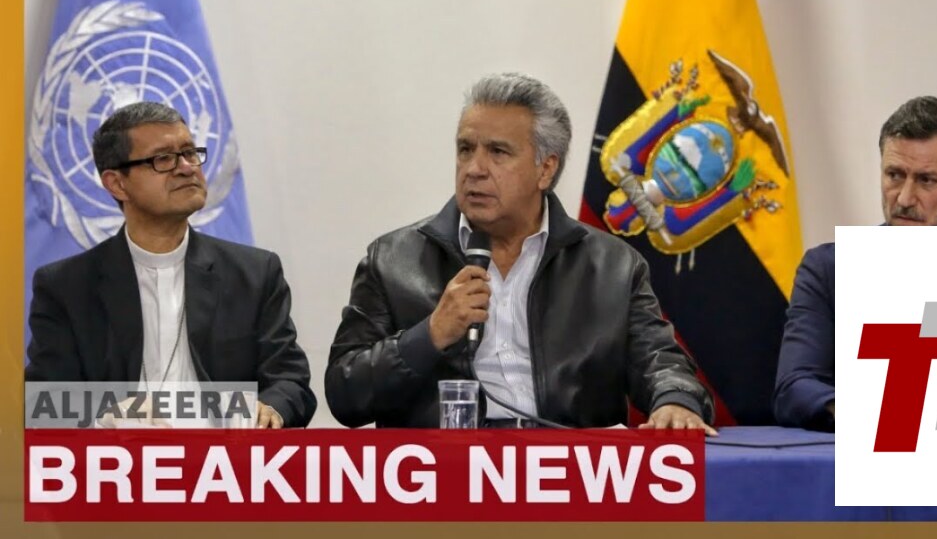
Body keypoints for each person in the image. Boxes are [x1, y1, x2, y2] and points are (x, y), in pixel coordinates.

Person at [326, 72, 715, 431]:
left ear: (545, 170)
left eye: (498, 152)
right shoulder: (394, 260)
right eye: (465, 149)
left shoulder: (613, 267)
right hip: (447, 470)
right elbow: (345, 395)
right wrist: (428, 336)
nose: (474, 168)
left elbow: (661, 362)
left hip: (567, 469)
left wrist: (675, 400)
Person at [25, 101, 316, 428]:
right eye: (163, 158)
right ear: (117, 183)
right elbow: (43, 399)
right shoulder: (67, 286)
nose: (187, 168)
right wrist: (107, 416)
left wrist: (270, 408)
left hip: (227, 454)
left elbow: (290, 381)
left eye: (190, 153)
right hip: (119, 455)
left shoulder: (254, 274)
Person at [773, 95, 937, 431]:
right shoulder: (829, 270)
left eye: (927, 180)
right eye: (894, 175)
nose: (905, 198)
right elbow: (794, 387)